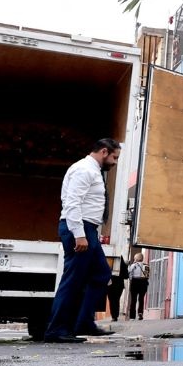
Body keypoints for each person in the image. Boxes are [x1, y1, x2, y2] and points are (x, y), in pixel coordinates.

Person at [44, 138, 119, 343]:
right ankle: (56, 330)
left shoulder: (93, 171)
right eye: (114, 157)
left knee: (101, 273)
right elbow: (72, 203)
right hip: (79, 227)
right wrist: (79, 234)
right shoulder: (83, 170)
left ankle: (84, 323)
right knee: (73, 280)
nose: (114, 162)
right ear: (104, 152)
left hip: (89, 229)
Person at [126, 250, 149, 320]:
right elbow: (147, 275)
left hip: (135, 282)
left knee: (133, 300)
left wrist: (131, 280)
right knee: (141, 299)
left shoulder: (133, 265)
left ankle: (132, 316)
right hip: (143, 282)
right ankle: (140, 313)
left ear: (136, 259)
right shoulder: (146, 265)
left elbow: (129, 273)